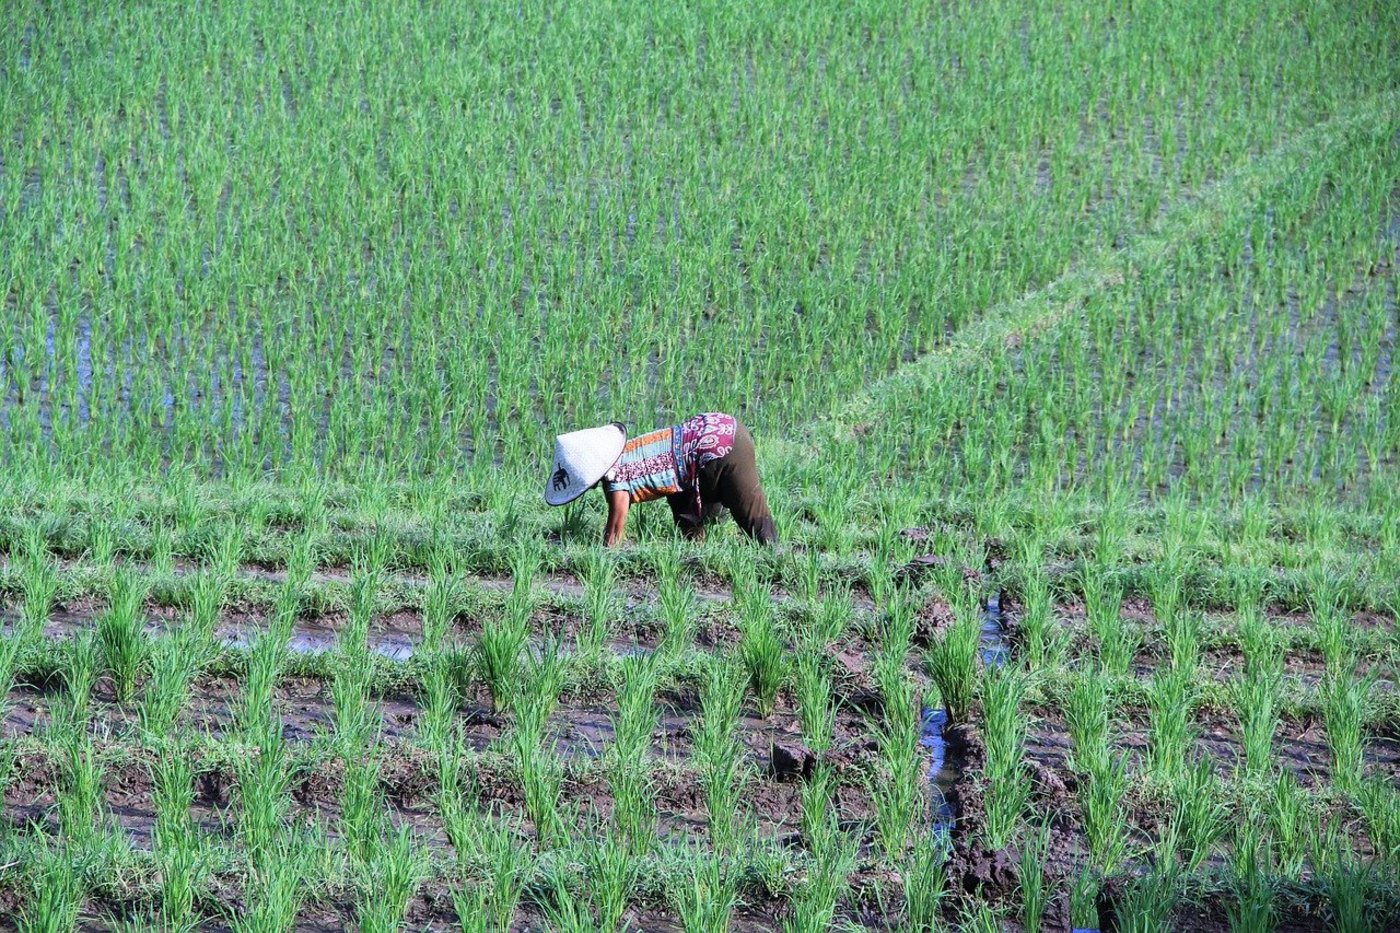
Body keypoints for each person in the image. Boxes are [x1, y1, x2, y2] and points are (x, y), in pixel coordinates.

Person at [545, 412, 777, 546]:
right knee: (681, 499)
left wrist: (603, 557)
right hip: (715, 429)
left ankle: (775, 556)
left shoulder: (616, 479)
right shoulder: (631, 449)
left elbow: (615, 531)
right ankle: (698, 548)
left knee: (754, 519)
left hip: (719, 445)